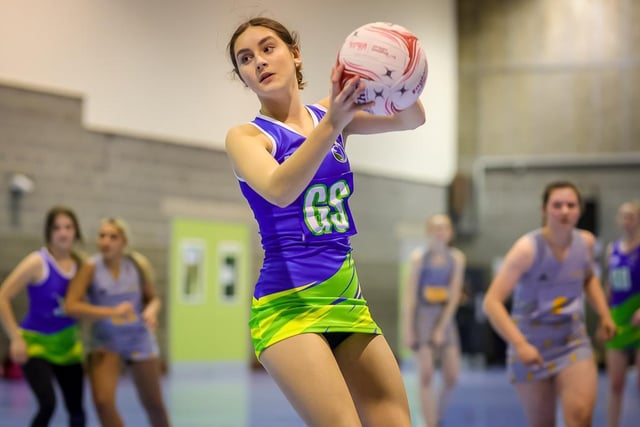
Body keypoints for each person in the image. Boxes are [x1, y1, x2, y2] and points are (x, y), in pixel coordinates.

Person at [225, 17, 425, 426]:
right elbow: (280, 189)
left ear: (294, 54)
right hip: (287, 305)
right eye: (246, 59)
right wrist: (334, 121)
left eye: (268, 48)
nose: (258, 62)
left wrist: (397, 70)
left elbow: (412, 119)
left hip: (347, 300)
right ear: (243, 77)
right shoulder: (248, 137)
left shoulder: (331, 115)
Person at [482, 181, 616, 427]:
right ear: (544, 210)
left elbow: (588, 279)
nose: (564, 211)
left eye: (571, 205)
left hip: (572, 342)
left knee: (581, 416)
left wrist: (605, 315)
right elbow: (491, 302)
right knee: (543, 422)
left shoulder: (586, 243)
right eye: (557, 205)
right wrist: (521, 345)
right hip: (531, 346)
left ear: (579, 210)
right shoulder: (526, 249)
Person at [63, 218, 170, 427]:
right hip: (105, 341)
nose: (106, 241)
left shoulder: (137, 265)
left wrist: (151, 311)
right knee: (103, 402)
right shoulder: (90, 267)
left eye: (113, 237)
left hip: (138, 338)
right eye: (102, 236)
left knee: (155, 404)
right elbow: (71, 306)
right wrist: (111, 311)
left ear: (124, 242)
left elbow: (153, 299)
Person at [0, 206, 86, 427]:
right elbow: (3, 297)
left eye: (68, 227)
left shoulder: (83, 266)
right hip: (36, 344)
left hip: (68, 345)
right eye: (57, 227)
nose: (63, 233)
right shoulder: (37, 262)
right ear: (49, 232)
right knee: (48, 404)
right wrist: (15, 338)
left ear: (76, 231)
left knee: (77, 410)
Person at [402, 214, 465, 427]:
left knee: (452, 376)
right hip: (423, 318)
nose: (440, 232)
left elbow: (455, 294)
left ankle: (437, 414)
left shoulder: (456, 258)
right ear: (429, 231)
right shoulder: (419, 258)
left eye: (445, 227)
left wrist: (441, 326)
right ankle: (429, 422)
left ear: (450, 232)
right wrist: (409, 330)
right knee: (426, 374)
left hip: (445, 318)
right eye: (436, 228)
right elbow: (410, 297)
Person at [604, 200, 640, 427]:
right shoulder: (612, 249)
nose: (627, 221)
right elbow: (610, 286)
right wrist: (606, 317)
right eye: (623, 216)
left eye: (632, 216)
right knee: (615, 384)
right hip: (618, 319)